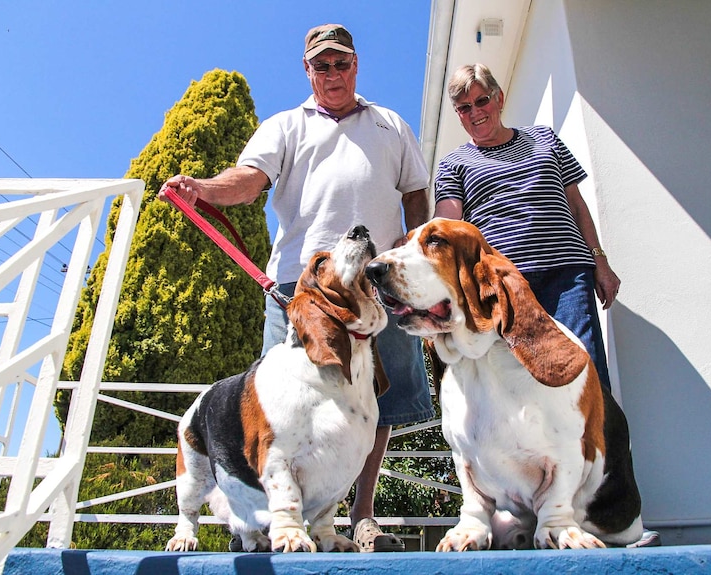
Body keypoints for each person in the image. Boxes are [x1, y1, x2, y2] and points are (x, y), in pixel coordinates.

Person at [158, 24, 434, 553]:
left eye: (342, 63)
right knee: (275, 411)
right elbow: (247, 180)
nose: (333, 73)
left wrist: (408, 250)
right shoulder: (285, 126)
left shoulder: (390, 124)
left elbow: (417, 192)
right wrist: (204, 189)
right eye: (322, 65)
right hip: (296, 285)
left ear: (356, 65)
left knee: (377, 401)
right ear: (308, 70)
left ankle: (361, 516)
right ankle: (268, 523)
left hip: (378, 286)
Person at [433, 63, 620, 390]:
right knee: (525, 383)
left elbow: (576, 203)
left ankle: (603, 441)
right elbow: (449, 223)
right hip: (505, 284)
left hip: (567, 274)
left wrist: (599, 261)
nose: (475, 112)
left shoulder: (544, 138)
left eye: (482, 101)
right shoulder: (454, 163)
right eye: (464, 108)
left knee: (586, 371)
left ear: (499, 98)